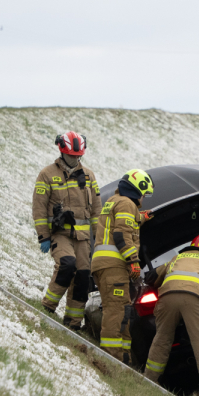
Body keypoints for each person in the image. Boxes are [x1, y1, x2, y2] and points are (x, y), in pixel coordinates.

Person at [33, 132, 102, 330]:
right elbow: (38, 209)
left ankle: (72, 322)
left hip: (83, 238)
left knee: (82, 276)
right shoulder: (47, 175)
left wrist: (98, 238)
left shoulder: (89, 176)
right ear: (62, 152)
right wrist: (43, 236)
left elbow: (96, 210)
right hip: (59, 234)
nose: (75, 159)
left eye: (78, 155)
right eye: (72, 155)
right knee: (66, 264)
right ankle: (47, 306)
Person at [143, 234, 199, 393]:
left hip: (167, 297)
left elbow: (153, 278)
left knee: (161, 340)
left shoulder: (176, 259)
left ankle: (149, 381)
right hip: (196, 298)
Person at [91, 169, 154, 361]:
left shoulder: (114, 201)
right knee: (116, 312)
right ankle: (110, 358)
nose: (143, 199)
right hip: (114, 266)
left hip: (105, 266)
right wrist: (133, 261)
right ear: (138, 190)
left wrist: (141, 217)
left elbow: (123, 226)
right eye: (144, 194)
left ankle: (124, 358)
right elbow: (121, 234)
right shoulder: (127, 204)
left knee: (123, 309)